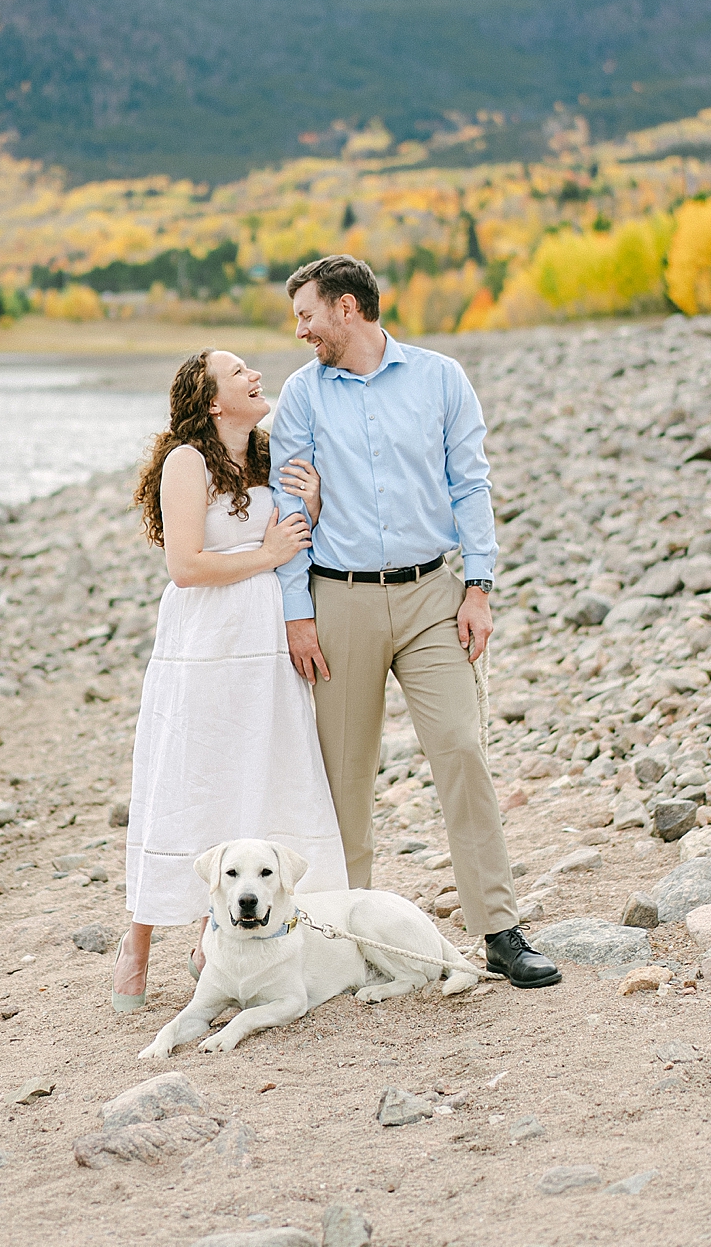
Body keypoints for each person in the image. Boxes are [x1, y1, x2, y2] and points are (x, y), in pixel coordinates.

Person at [269, 255, 561, 989]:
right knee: (345, 778)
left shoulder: (440, 378)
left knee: (462, 748)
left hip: (436, 594)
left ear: (345, 308)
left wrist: (480, 587)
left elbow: (472, 485)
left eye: (307, 315)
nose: (299, 330)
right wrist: (298, 613)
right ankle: (340, 939)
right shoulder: (302, 395)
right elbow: (289, 510)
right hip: (339, 601)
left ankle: (498, 930)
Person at [112, 349, 349, 1010]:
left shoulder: (272, 456)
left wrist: (314, 505)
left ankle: (213, 939)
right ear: (213, 400)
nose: (255, 375)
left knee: (259, 782)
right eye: (239, 371)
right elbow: (185, 566)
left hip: (265, 649)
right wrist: (267, 553)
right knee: (187, 785)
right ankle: (137, 945)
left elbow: (299, 544)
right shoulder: (186, 462)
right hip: (207, 647)